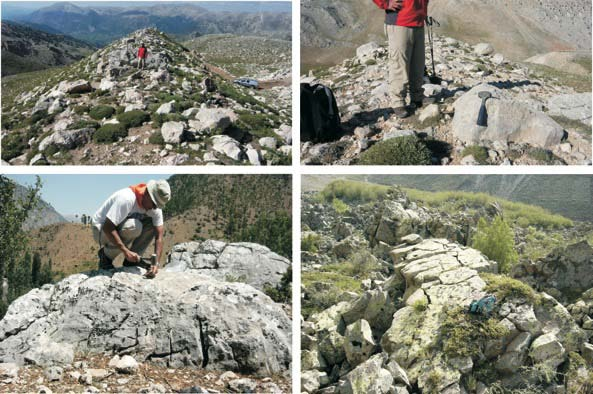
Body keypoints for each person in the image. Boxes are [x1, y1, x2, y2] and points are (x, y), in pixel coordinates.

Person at [91, 180, 171, 278]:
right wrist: (125, 251)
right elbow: (108, 227)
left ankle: (131, 261)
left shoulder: (154, 207)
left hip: (117, 226)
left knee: (151, 224)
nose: (154, 208)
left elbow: (159, 236)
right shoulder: (127, 199)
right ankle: (106, 257)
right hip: (101, 230)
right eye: (154, 204)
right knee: (134, 226)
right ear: (147, 193)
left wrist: (156, 263)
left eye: (157, 205)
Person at [373, 0, 430, 118]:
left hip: (418, 21)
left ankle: (417, 97)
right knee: (399, 64)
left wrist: (423, 12)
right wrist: (385, 4)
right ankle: (398, 102)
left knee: (417, 64)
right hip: (400, 22)